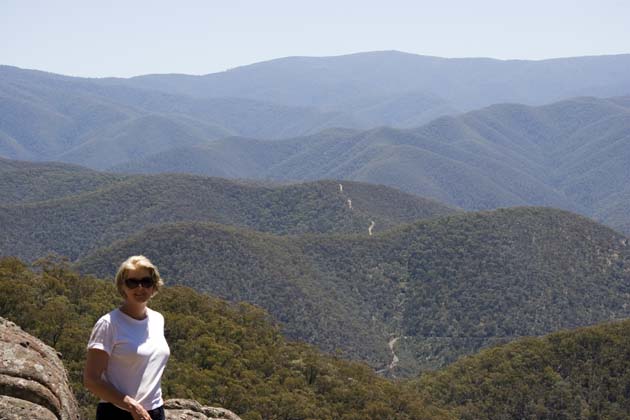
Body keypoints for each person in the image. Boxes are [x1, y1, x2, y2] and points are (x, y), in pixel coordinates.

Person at [84, 256, 170, 420]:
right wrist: (131, 406)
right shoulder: (109, 324)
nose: (140, 287)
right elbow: (91, 380)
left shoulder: (158, 319)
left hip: (155, 411)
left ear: (154, 286)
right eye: (132, 282)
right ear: (122, 287)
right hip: (117, 412)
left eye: (146, 282)